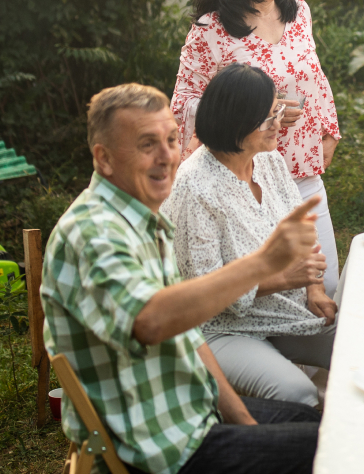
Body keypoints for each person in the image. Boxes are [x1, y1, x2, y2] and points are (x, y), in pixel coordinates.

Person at [41, 84, 324, 474]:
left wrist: (242, 422)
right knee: (329, 450)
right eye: (146, 145)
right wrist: (264, 263)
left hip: (194, 411)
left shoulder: (144, 220)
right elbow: (151, 321)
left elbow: (190, 336)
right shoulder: (95, 232)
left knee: (307, 422)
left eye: (172, 139)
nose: (168, 157)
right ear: (103, 159)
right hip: (158, 446)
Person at [172, 0, 345, 301]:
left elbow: (314, 73)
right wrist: (251, 112)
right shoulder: (210, 31)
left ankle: (315, 358)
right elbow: (183, 105)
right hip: (247, 180)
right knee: (274, 293)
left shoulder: (298, 11)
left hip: (301, 169)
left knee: (325, 283)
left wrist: (328, 129)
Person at [162, 64, 336, 409]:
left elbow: (301, 231)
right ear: (235, 122)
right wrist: (285, 278)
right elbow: (206, 289)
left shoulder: (269, 160)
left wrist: (314, 288)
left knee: (362, 346)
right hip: (217, 327)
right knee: (297, 394)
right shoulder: (195, 186)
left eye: (278, 110)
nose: (279, 123)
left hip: (279, 310)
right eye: (268, 117)